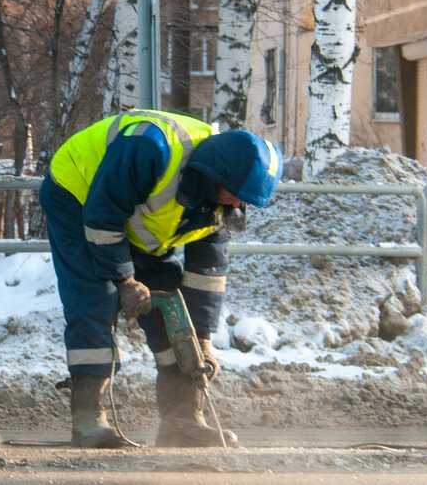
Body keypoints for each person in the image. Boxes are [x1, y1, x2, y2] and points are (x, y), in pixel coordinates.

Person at [40, 109, 281, 448]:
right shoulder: (151, 146)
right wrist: (125, 282)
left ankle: (182, 423)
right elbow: (102, 216)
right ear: (215, 175)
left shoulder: (223, 200)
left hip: (133, 220)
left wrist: (201, 341)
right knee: (95, 299)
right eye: (237, 193)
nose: (240, 204)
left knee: (174, 311)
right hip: (77, 197)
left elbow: (206, 276)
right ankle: (88, 421)